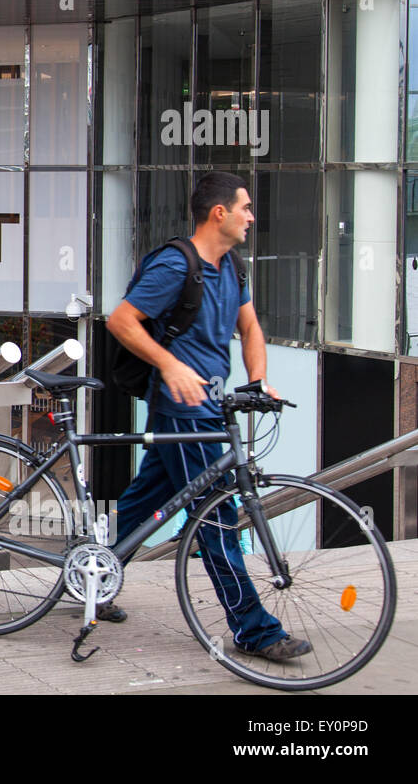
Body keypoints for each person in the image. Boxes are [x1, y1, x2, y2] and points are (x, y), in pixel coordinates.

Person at [103, 171, 311, 662]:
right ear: (219, 213)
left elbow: (250, 325)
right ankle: (255, 630)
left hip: (212, 407)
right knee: (216, 515)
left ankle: (96, 574)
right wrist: (171, 365)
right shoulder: (176, 266)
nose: (251, 217)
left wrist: (257, 380)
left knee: (145, 500)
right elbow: (121, 320)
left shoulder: (232, 267)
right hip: (182, 408)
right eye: (245, 208)